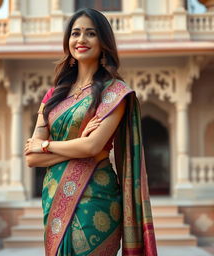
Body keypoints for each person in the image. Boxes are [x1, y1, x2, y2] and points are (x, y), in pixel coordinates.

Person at [24, 8, 157, 256]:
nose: (81, 40)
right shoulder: (54, 95)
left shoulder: (114, 92)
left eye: (91, 33)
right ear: (68, 41)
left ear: (103, 42)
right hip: (54, 196)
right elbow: (32, 159)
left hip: (96, 197)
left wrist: (45, 146)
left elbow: (93, 147)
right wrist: (80, 145)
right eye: (75, 33)